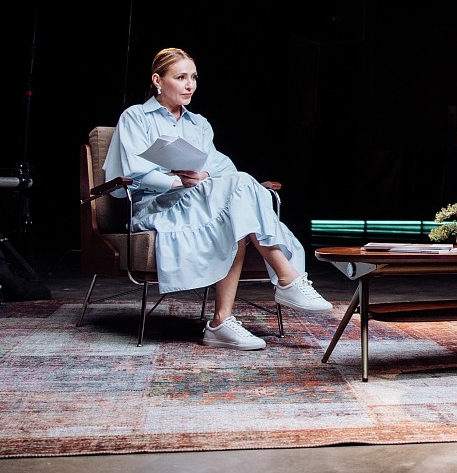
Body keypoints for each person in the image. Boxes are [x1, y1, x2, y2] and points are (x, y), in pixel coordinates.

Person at [103, 47, 334, 351]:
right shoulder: (135, 117)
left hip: (198, 201)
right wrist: (176, 180)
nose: (190, 85)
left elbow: (221, 167)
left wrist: (203, 176)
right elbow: (132, 171)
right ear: (158, 80)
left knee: (238, 193)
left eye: (194, 77)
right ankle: (287, 278)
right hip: (155, 207)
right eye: (181, 77)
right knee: (239, 190)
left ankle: (222, 322)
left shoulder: (199, 124)